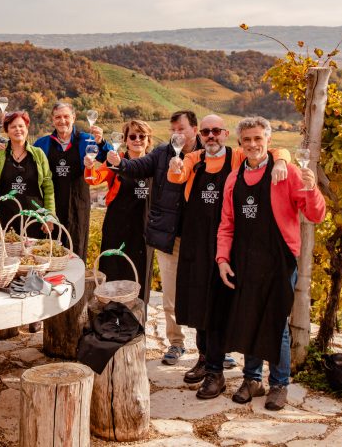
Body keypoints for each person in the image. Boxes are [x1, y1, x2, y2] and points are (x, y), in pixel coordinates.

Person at [166, 114, 289, 398]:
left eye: (216, 131)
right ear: (201, 135)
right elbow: (176, 174)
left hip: (227, 247)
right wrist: (174, 166)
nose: (211, 136)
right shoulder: (193, 158)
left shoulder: (236, 157)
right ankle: (204, 361)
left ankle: (216, 371)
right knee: (198, 306)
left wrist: (281, 161)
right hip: (197, 244)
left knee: (219, 308)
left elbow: (275, 151)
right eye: (206, 132)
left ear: (225, 135)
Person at [216, 116, 326, 410]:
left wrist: (312, 188)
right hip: (244, 258)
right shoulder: (233, 178)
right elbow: (227, 224)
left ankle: (280, 384)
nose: (253, 144)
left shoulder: (288, 173)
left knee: (278, 324)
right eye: (247, 140)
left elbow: (315, 215)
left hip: (279, 258)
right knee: (248, 316)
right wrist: (223, 258)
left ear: (268, 141)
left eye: (258, 139)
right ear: (240, 143)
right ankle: (252, 380)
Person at [109, 110, 201, 365]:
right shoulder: (162, 153)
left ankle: (210, 350)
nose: (177, 134)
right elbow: (139, 166)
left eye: (181, 129)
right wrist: (119, 163)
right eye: (173, 130)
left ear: (195, 129)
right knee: (170, 295)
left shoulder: (209, 154)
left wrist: (281, 159)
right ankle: (176, 343)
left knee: (205, 293)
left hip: (202, 237)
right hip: (170, 236)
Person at [34, 102, 109, 259]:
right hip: (52, 208)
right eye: (58, 117)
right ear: (52, 120)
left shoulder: (87, 140)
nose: (62, 121)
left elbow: (109, 158)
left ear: (73, 118)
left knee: (77, 250)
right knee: (49, 253)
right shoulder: (42, 144)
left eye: (66, 116)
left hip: (78, 206)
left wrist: (101, 142)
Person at [85, 119, 152, 288]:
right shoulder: (116, 160)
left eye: (142, 136)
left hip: (143, 228)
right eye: (132, 136)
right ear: (125, 140)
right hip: (116, 226)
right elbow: (93, 179)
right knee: (112, 272)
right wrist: (89, 166)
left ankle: (137, 313)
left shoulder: (154, 164)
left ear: (148, 140)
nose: (137, 139)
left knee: (140, 274)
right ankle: (110, 311)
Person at [0, 110, 54, 237]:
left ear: (27, 128)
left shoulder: (38, 154)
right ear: (7, 131)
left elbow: (48, 187)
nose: (18, 129)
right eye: (13, 127)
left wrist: (49, 216)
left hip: (34, 219)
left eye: (21, 126)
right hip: (4, 219)